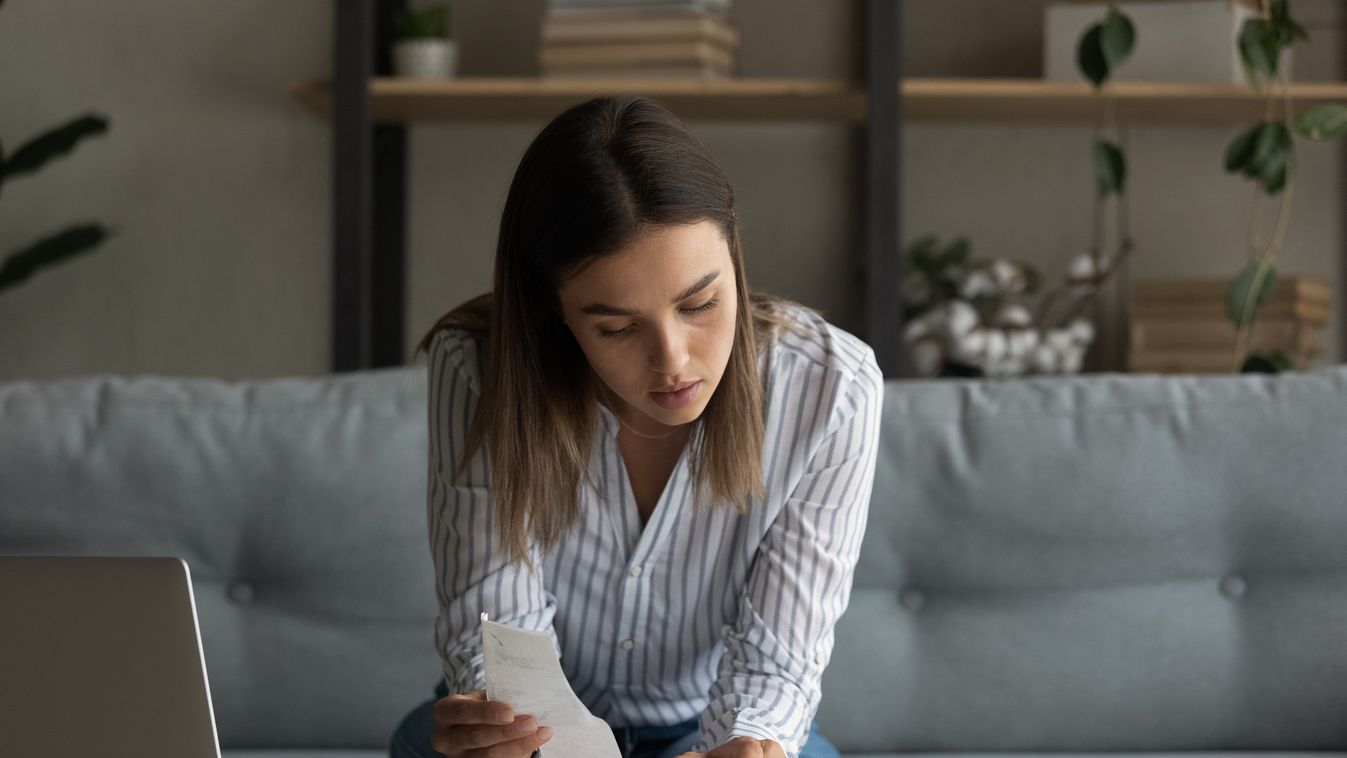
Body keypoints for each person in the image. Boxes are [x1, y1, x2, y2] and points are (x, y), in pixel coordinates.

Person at [389, 94, 883, 758]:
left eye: (700, 302)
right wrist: (519, 735)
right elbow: (497, 635)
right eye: (616, 327)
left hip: (706, 722)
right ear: (554, 310)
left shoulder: (831, 389)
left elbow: (776, 665)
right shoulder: (480, 369)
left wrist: (741, 745)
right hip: (538, 729)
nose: (673, 361)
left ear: (734, 257)